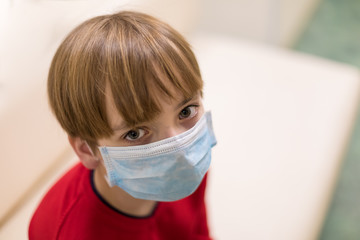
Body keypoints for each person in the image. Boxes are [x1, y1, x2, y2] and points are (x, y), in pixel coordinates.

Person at [28, 10, 217, 240]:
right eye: (135, 133)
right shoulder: (72, 232)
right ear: (88, 150)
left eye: (185, 111)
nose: (178, 148)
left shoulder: (189, 168)